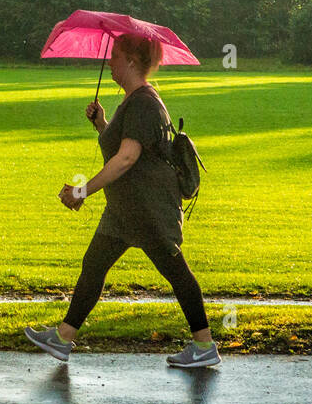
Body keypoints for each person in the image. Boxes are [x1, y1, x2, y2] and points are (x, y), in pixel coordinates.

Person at [26, 32, 219, 368]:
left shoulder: (144, 101)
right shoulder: (135, 100)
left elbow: (127, 158)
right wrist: (102, 123)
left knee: (176, 270)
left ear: (131, 60)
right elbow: (128, 150)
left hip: (147, 210)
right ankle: (63, 338)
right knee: (95, 265)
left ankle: (204, 346)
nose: (110, 62)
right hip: (126, 209)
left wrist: (81, 191)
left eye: (115, 55)